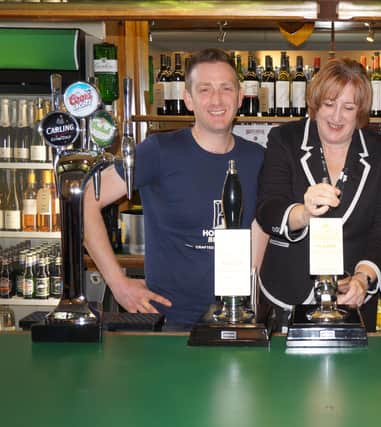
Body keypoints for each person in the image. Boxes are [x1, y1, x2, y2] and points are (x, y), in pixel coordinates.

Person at [83, 48, 266, 328]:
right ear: (188, 99)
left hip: (237, 319)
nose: (216, 99)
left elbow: (264, 228)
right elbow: (84, 203)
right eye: (205, 89)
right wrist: (118, 283)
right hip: (169, 324)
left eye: (226, 88)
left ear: (241, 98)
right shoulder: (158, 151)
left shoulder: (259, 158)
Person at [256, 58, 381, 332]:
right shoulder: (284, 140)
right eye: (329, 104)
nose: (337, 117)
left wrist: (363, 278)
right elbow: (267, 210)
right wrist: (304, 213)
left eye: (348, 107)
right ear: (315, 103)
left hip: (351, 300)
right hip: (286, 297)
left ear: (360, 111)